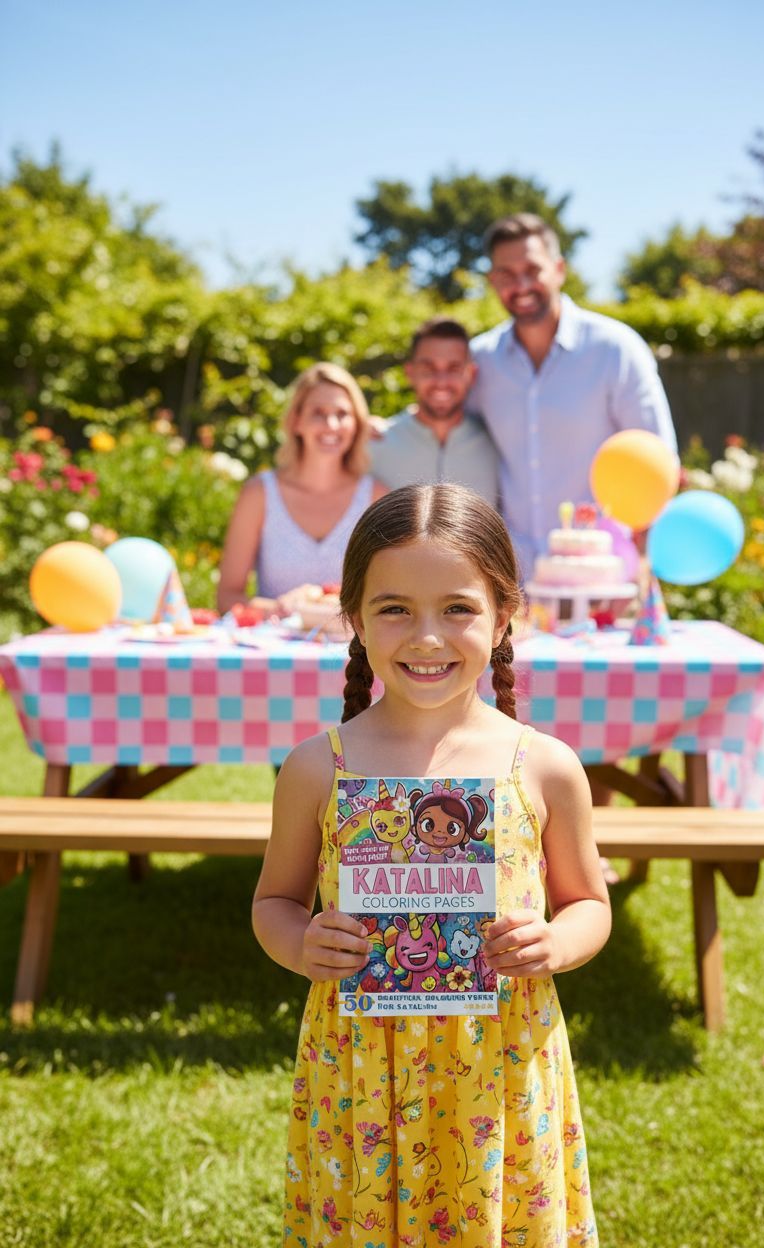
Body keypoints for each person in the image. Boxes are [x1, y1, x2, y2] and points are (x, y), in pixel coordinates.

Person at [252, 483, 610, 1246]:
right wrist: (300, 942)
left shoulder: (544, 766)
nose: (426, 637)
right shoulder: (319, 768)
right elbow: (274, 902)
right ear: (353, 617)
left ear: (504, 614)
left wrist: (559, 941)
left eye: (457, 608)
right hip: (360, 1072)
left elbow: (590, 903)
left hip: (500, 1065)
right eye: (393, 609)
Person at [470, 212, 678, 579]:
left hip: (603, 577)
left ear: (559, 269)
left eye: (532, 270)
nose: (520, 285)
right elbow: (441, 420)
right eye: (505, 275)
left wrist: (640, 570)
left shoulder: (616, 350)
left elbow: (657, 463)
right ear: (492, 281)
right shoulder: (481, 360)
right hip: (511, 580)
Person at [217, 363, 386, 614]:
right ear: (296, 421)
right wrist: (279, 609)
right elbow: (227, 597)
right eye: (318, 412)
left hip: (354, 650)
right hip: (275, 649)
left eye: (342, 414)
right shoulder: (259, 494)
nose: (331, 424)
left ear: (357, 424)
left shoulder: (377, 497)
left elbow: (391, 596)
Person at [369, 316, 500, 506]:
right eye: (428, 368)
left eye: (453, 368)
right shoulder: (375, 443)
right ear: (410, 373)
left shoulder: (496, 443)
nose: (441, 382)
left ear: (471, 374)